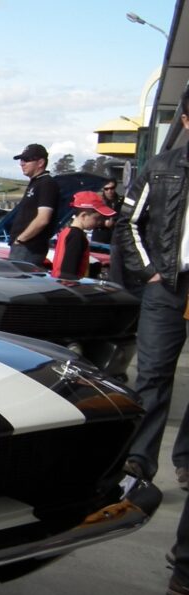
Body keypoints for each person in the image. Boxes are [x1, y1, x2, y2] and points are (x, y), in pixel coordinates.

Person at [114, 86, 189, 490]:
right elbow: (128, 223)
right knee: (154, 373)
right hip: (167, 285)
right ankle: (140, 460)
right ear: (186, 121)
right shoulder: (161, 168)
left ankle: (187, 460)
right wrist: (149, 271)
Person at [8, 143, 58, 266]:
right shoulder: (35, 183)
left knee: (18, 283)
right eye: (21, 160)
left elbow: (43, 219)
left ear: (40, 162)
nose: (22, 163)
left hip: (29, 248)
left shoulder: (46, 183)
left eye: (26, 160)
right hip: (23, 246)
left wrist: (21, 239)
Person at [51, 191, 115, 279]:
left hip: (59, 281)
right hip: (69, 284)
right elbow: (69, 269)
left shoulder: (67, 231)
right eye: (97, 218)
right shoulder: (77, 237)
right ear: (84, 215)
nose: (99, 222)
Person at [91, 178, 122, 244]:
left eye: (112, 188)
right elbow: (92, 219)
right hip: (100, 237)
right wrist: (104, 223)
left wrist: (115, 222)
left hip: (115, 238)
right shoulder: (98, 201)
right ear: (103, 189)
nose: (109, 191)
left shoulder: (121, 201)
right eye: (106, 189)